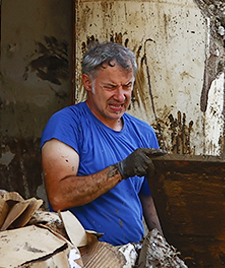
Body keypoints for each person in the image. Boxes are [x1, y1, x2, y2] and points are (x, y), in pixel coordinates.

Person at [41, 42, 165, 245]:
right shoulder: (67, 124)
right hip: (83, 256)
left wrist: (164, 246)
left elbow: (149, 199)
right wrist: (121, 169)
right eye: (110, 87)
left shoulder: (143, 132)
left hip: (130, 255)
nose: (120, 96)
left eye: (127, 86)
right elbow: (59, 196)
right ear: (87, 83)